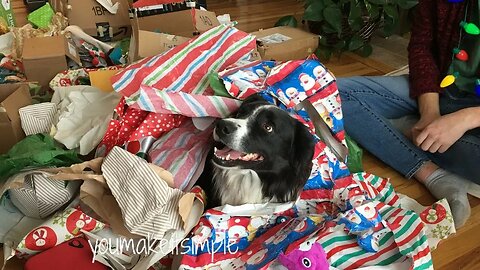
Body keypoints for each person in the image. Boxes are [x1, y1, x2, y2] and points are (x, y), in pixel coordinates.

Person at [336, 0, 480, 228]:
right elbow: (422, 47)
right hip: (440, 89)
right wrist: (430, 112)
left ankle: (399, 130)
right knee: (331, 93)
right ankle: (432, 172)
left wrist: (467, 118)